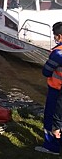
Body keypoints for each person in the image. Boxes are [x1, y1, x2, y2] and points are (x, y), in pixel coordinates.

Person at [36, 21, 62, 154]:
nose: (54, 37)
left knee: (52, 118)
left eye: (55, 35)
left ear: (60, 36)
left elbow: (46, 71)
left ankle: (51, 146)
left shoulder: (58, 54)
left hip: (57, 90)